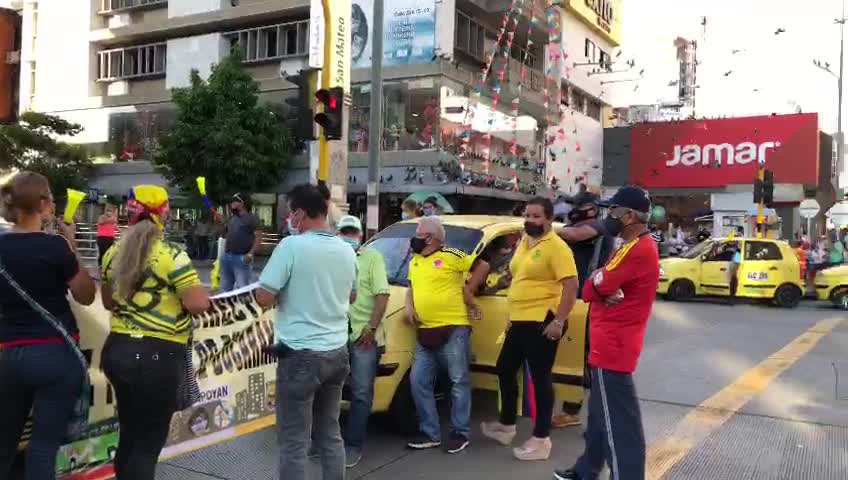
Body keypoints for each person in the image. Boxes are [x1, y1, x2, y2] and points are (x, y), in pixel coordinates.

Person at [100, 185, 210, 480]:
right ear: (164, 214)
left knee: (130, 433)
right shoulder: (172, 255)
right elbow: (198, 304)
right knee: (148, 443)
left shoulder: (112, 253)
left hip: (118, 351)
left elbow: (108, 302)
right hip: (158, 356)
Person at [554, 186, 660, 480]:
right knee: (600, 417)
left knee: (619, 426)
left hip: (614, 348)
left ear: (629, 216)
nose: (608, 215)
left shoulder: (637, 249)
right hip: (607, 344)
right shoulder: (626, 245)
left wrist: (599, 286)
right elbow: (596, 283)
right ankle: (586, 469)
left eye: (613, 210)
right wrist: (600, 285)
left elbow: (591, 288)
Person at [255, 183, 357, 480]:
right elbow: (351, 296)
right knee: (329, 432)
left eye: (290, 213)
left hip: (300, 355)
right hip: (337, 352)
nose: (290, 220)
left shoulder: (291, 246)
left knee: (294, 441)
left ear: (299, 213)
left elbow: (264, 296)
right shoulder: (347, 250)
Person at [0, 172, 96, 480]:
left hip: (8, 356)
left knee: (4, 443)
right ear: (42, 204)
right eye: (52, 199)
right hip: (56, 356)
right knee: (42, 449)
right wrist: (72, 245)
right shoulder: (56, 247)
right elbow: (86, 294)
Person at [481, 197, 579, 461]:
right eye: (528, 215)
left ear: (548, 219)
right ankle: (507, 426)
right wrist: (494, 287)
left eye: (537, 216)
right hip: (519, 318)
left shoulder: (557, 247)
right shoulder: (525, 241)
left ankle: (541, 439)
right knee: (504, 368)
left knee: (540, 378)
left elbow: (571, 286)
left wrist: (559, 321)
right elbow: (517, 273)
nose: (531, 220)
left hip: (543, 320)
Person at [405, 216, 489, 454]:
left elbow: (482, 265)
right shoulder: (415, 261)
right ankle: (430, 432)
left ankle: (459, 433)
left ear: (430, 237)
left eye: (418, 233)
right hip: (425, 331)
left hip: (453, 330)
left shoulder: (452, 256)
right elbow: (411, 288)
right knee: (418, 381)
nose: (415, 237)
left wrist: (470, 291)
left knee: (458, 382)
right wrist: (410, 308)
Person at [552, 191, 614, 428]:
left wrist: (546, 227)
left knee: (584, 358)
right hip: (576, 300)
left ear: (589, 208)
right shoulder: (575, 228)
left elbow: (576, 234)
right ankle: (574, 408)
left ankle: (581, 411)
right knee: (576, 356)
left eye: (576, 207)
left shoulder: (598, 227)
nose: (572, 211)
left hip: (589, 303)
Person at [336, 215, 391, 468]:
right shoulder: (332, 258)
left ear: (360, 236)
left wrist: (371, 327)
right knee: (329, 390)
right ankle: (327, 442)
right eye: (344, 232)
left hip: (363, 338)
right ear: (338, 234)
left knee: (360, 392)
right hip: (335, 335)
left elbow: (382, 295)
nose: (348, 237)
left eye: (352, 233)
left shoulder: (372, 258)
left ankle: (353, 444)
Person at [220, 193, 261, 292]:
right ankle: (227, 307)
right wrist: (222, 223)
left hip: (242, 258)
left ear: (243, 203)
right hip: (227, 257)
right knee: (225, 289)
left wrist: (250, 254)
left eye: (235, 201)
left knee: (243, 290)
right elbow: (225, 234)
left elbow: (258, 237)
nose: (232, 203)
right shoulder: (233, 218)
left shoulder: (252, 218)